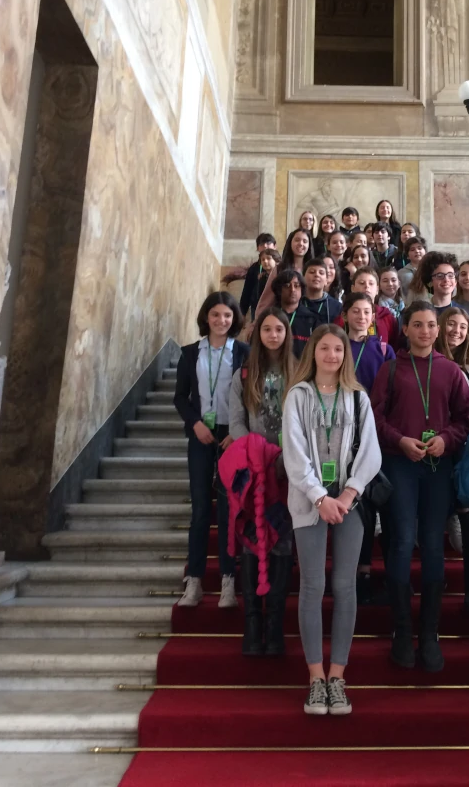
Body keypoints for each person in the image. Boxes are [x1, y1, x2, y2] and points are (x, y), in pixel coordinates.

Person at [282, 324, 382, 716]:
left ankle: (337, 677)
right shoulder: (298, 396)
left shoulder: (358, 397)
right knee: (312, 585)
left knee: (344, 585)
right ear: (314, 353)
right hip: (310, 502)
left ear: (345, 355)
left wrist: (346, 494)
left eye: (338, 349)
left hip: (349, 503)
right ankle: (315, 679)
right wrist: (319, 497)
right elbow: (293, 452)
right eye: (324, 348)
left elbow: (370, 452)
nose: (332, 355)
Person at [371, 301, 469, 672]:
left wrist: (448, 438)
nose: (426, 331)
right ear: (406, 328)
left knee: (432, 543)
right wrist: (400, 441)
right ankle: (402, 632)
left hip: (438, 467)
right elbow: (375, 418)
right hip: (400, 464)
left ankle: (429, 635)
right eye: (418, 324)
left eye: (431, 325)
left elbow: (465, 418)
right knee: (400, 541)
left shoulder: (451, 371)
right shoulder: (390, 369)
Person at [174, 292, 250, 608]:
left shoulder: (243, 352)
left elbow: (251, 394)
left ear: (234, 320)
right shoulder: (190, 353)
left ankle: (228, 582)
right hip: (201, 435)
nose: (222, 321)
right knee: (202, 510)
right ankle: (194, 582)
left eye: (228, 316)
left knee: (229, 511)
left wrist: (238, 430)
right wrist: (195, 424)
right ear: (207, 317)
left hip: (231, 437)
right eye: (216, 315)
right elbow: (180, 397)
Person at [228, 307, 296, 655]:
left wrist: (286, 458)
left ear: (286, 334)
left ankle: (275, 627)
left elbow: (301, 419)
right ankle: (252, 625)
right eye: (266, 329)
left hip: (287, 471)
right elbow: (236, 419)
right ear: (258, 334)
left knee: (282, 542)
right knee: (252, 542)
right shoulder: (243, 373)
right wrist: (254, 452)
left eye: (278, 329)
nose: (272, 335)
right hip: (253, 471)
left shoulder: (299, 371)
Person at [343, 291, 396, 604]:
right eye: (356, 311)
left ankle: (383, 572)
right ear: (346, 314)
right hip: (343, 434)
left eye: (367, 312)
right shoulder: (339, 346)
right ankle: (358, 571)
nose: (362, 317)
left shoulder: (383, 349)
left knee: (378, 500)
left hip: (376, 433)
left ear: (373, 317)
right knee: (356, 505)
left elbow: (392, 391)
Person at [436, 307, 469, 613]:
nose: (456, 331)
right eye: (451, 325)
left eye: (463, 328)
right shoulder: (430, 362)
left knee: (467, 515)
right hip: (437, 449)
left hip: (465, 451)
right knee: (435, 516)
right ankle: (434, 577)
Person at [335, 268, 399, 351]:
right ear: (353, 288)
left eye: (371, 283)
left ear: (377, 289)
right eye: (362, 283)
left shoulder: (387, 317)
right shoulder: (343, 318)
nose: (367, 286)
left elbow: (394, 347)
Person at [256, 228, 314, 313]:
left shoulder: (314, 269)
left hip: (308, 316)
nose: (301, 244)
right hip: (282, 316)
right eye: (297, 240)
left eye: (305, 241)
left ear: (309, 245)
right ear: (290, 242)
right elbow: (267, 298)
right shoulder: (279, 269)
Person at [271, 269, 319, 359]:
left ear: (302, 290)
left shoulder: (312, 319)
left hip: (302, 369)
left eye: (297, 286)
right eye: (287, 286)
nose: (292, 290)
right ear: (279, 290)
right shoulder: (269, 317)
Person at [235, 233, 277, 318]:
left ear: (275, 246)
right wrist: (242, 313)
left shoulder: (282, 266)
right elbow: (247, 291)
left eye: (268, 243)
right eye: (261, 244)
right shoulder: (254, 268)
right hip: (257, 307)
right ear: (258, 248)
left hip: (277, 306)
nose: (265, 246)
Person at [302, 258, 343, 323]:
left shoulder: (337, 307)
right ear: (303, 277)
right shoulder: (296, 303)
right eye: (312, 272)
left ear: (326, 281)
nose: (316, 275)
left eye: (321, 273)